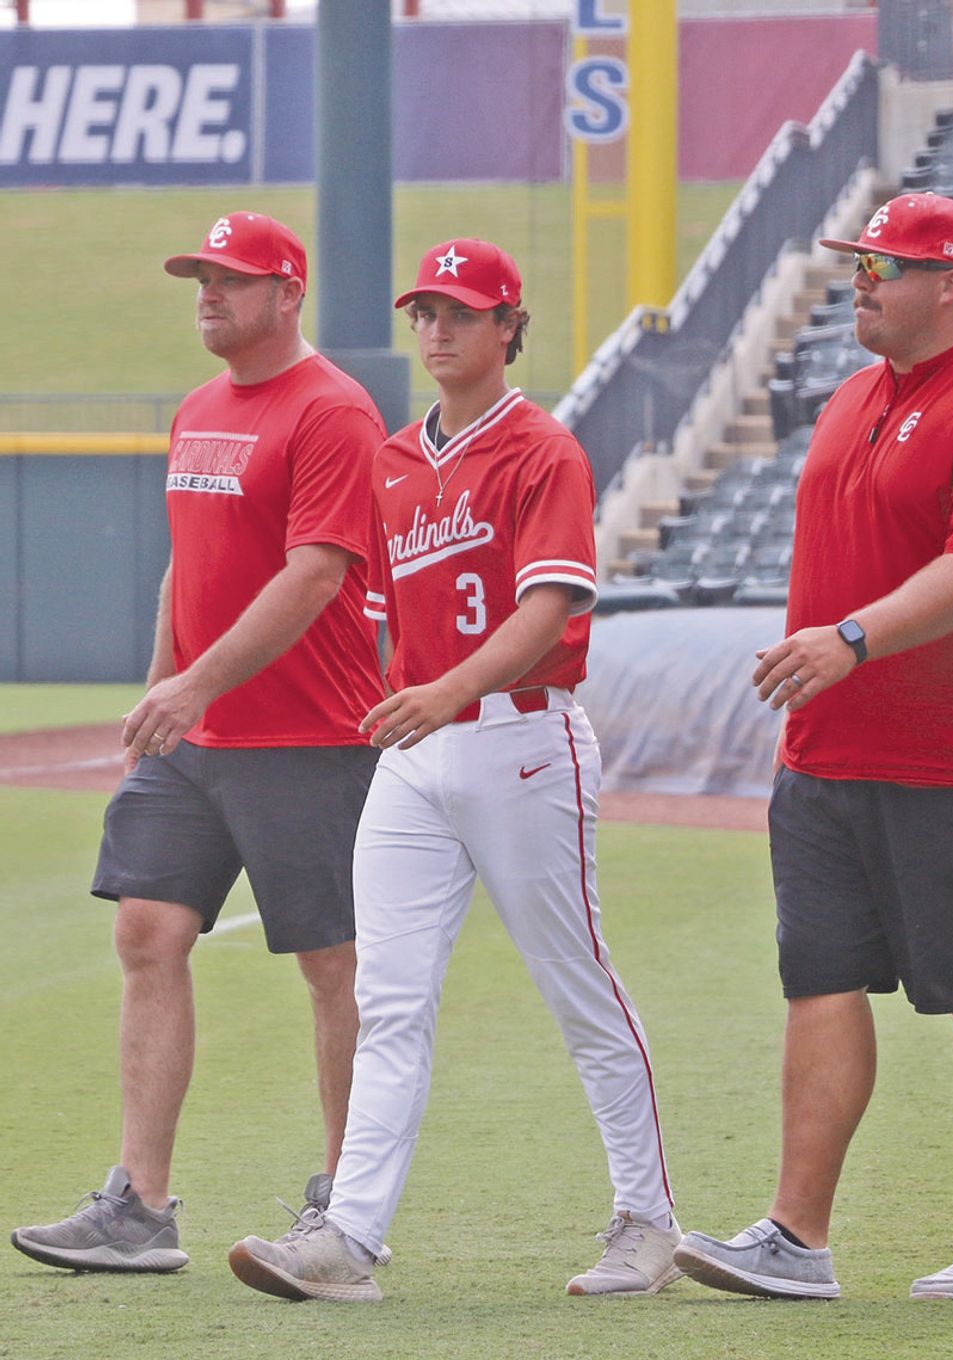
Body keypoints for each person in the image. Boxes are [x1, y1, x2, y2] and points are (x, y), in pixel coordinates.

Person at [227, 237, 680, 1304]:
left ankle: (649, 1223)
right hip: (418, 754)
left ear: (508, 326)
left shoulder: (541, 450)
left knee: (580, 990)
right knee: (388, 1001)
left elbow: (548, 609)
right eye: (425, 309)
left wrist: (444, 693)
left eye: (462, 312)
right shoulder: (390, 460)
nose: (437, 328)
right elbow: (384, 614)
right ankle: (349, 1239)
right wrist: (403, 700)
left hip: (525, 741)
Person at [673, 193, 953, 1301]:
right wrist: (824, 685)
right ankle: (795, 1238)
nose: (860, 280)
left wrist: (852, 639)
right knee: (818, 978)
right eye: (856, 261)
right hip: (827, 754)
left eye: (884, 265)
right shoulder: (853, 393)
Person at [11, 212, 388, 1274]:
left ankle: (345, 1205)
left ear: (288, 295)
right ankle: (140, 1202)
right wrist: (156, 703)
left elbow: (314, 575)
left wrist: (192, 684)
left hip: (310, 735)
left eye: (231, 279)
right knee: (146, 932)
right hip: (196, 735)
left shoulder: (335, 412)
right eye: (200, 278)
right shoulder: (197, 407)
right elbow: (188, 569)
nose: (208, 294)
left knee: (333, 963)